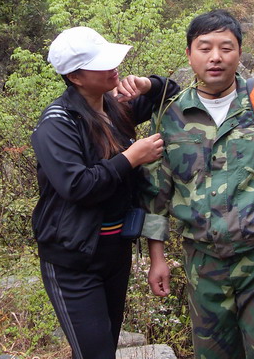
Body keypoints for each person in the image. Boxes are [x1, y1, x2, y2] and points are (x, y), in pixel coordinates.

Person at [141, 9, 254, 359]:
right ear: (189, 54)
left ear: (239, 53)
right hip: (202, 262)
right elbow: (156, 193)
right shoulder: (171, 115)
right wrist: (156, 258)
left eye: (226, 47)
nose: (216, 57)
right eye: (205, 47)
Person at [31, 26, 178, 359]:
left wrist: (148, 84)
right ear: (75, 77)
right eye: (101, 64)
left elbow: (171, 93)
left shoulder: (114, 106)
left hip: (114, 251)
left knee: (105, 347)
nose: (114, 68)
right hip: (73, 258)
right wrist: (131, 158)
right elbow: (77, 186)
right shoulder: (57, 123)